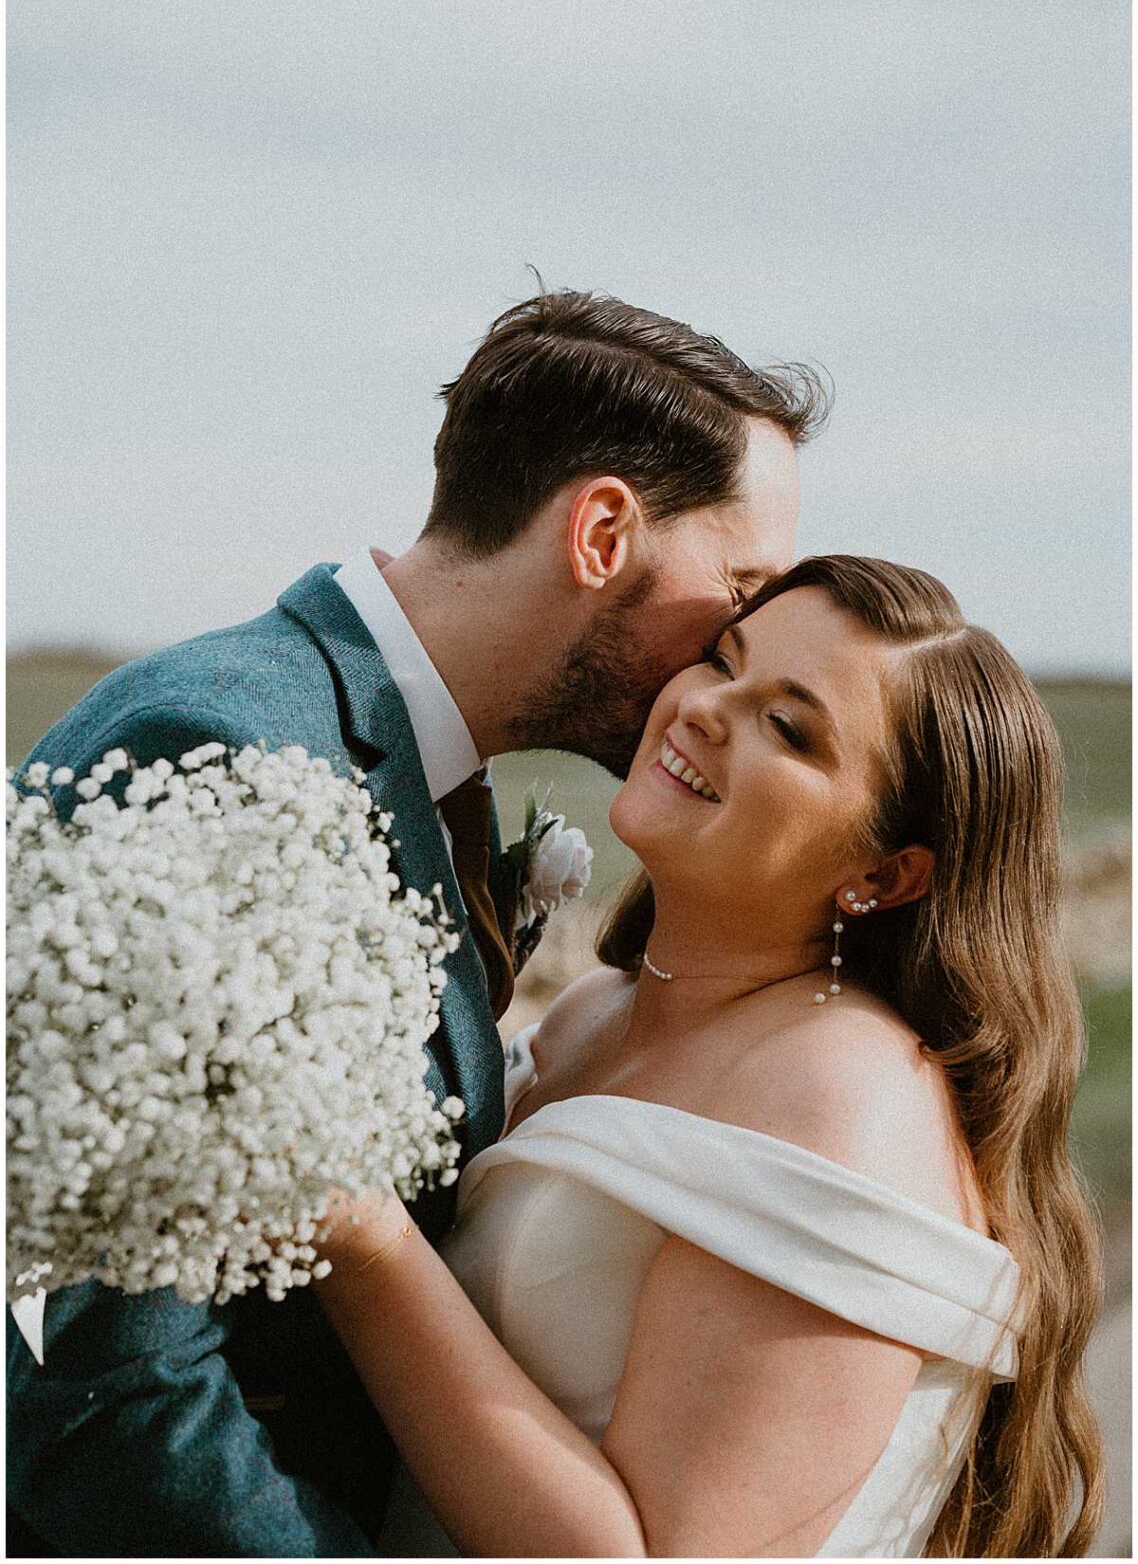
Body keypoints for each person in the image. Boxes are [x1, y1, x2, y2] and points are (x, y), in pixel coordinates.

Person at [6, 289, 821, 1558]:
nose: (732, 648)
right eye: (741, 587)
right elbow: (99, 1369)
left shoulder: (411, 768)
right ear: (601, 529)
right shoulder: (229, 757)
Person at [313, 554, 1104, 1561]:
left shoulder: (845, 1089)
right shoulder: (596, 1008)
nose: (701, 708)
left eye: (787, 725)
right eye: (720, 659)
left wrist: (361, 1241)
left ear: (883, 871)